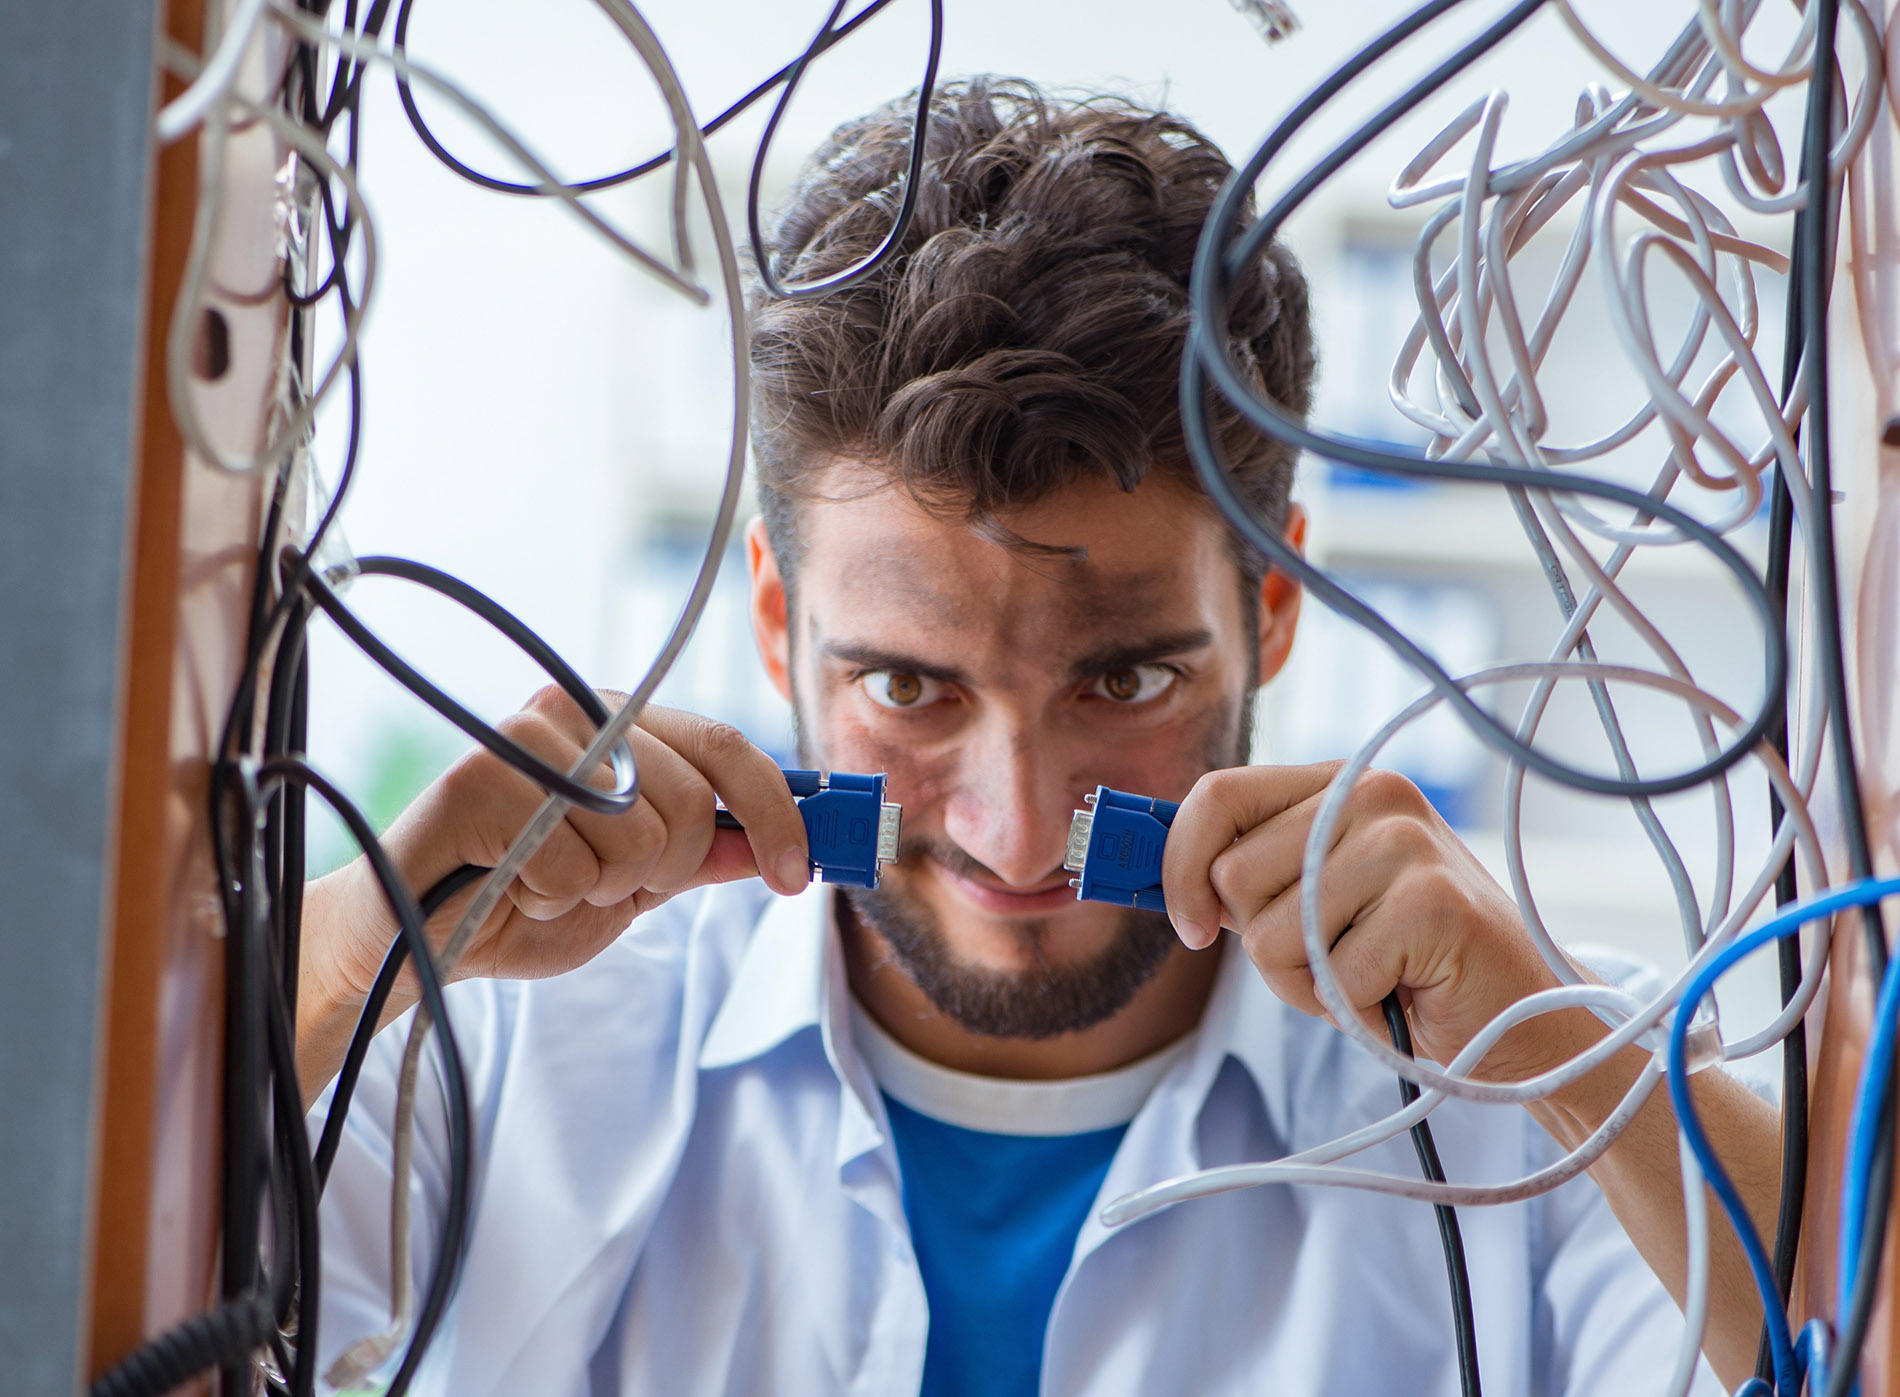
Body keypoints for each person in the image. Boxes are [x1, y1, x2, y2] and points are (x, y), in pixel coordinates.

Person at [302, 78, 1775, 1396]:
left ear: (1269, 608)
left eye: (1123, 686)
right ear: (774, 614)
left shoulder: (1537, 1083)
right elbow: (93, 1272)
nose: (1010, 831)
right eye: (910, 689)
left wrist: (1570, 1056)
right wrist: (363, 940)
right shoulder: (515, 1046)